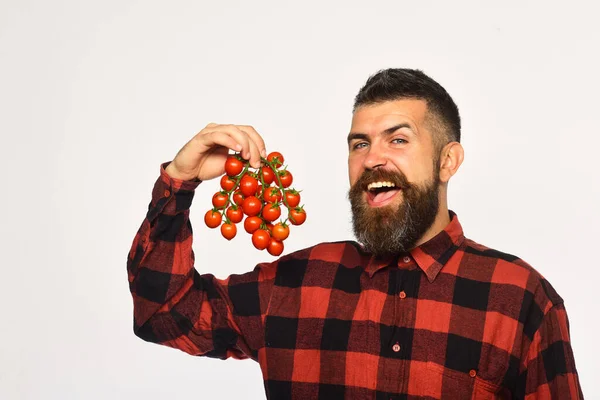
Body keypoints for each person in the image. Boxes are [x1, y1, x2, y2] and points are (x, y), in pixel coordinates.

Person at [127, 68, 583, 399]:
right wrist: (180, 180)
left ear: (448, 161)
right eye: (359, 144)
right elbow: (162, 313)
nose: (371, 159)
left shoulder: (522, 300)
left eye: (398, 140)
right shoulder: (296, 285)